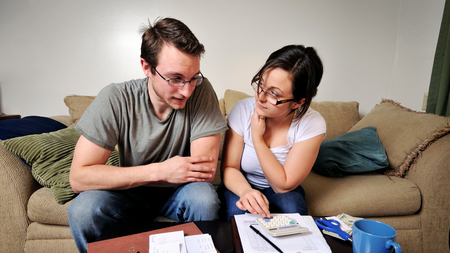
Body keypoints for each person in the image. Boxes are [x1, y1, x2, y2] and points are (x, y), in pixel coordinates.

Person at [68, 17, 228, 252]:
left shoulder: (201, 91)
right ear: (147, 67)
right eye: (175, 79)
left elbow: (203, 172)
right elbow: (79, 177)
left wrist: (167, 175)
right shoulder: (116, 98)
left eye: (194, 78)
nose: (187, 90)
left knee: (203, 198)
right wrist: (160, 171)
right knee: (83, 210)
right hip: (127, 192)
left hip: (180, 190)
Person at [217, 45, 326, 221]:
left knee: (293, 209)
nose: (260, 97)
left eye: (274, 94)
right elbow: (229, 168)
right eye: (260, 84)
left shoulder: (312, 124)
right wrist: (246, 191)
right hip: (241, 182)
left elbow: (283, 185)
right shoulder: (242, 110)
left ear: (298, 102)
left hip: (280, 188)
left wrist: (257, 140)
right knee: (237, 212)